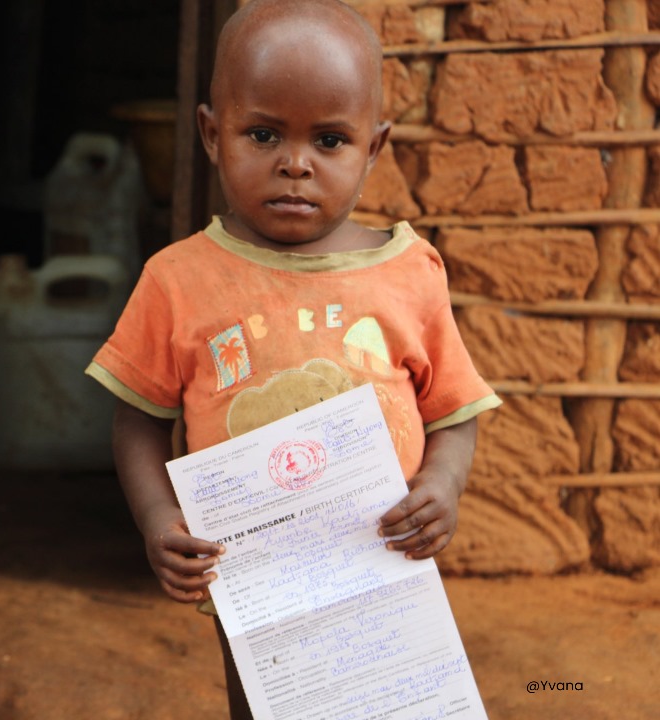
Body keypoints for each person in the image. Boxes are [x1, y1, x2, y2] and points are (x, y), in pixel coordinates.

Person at [85, 0, 500, 717]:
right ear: (212, 135)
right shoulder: (178, 279)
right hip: (259, 579)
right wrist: (158, 520)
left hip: (380, 566)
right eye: (263, 134)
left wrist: (443, 483)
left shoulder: (409, 272)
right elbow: (138, 421)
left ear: (374, 147)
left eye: (330, 140)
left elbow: (453, 412)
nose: (296, 163)